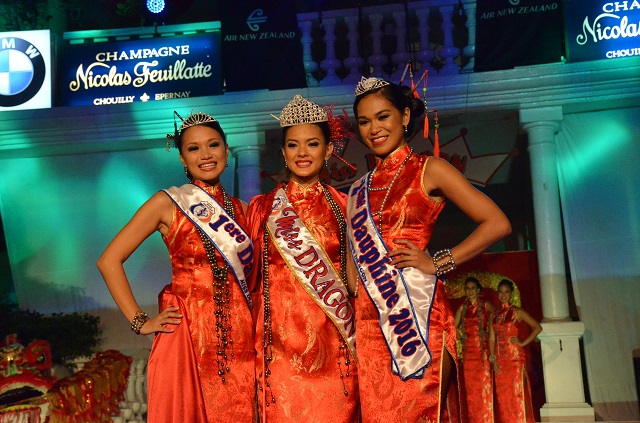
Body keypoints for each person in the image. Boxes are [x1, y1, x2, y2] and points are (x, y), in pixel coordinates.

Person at [347, 76, 512, 422]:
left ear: (405, 116)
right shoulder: (357, 190)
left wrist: (439, 262)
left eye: (383, 116)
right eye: (364, 121)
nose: (374, 128)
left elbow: (497, 223)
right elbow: (352, 278)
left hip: (418, 322)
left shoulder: (429, 169)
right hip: (372, 328)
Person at [97, 111, 256, 422]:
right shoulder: (167, 203)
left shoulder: (244, 210)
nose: (205, 155)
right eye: (194, 148)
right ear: (183, 158)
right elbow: (108, 260)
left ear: (226, 150)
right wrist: (140, 321)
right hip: (190, 341)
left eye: (213, 145)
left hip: (242, 342)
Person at [247, 95, 359, 422]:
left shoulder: (346, 205)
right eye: (293, 145)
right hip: (278, 352)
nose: (302, 153)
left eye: (312, 144)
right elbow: (248, 281)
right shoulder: (262, 208)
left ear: (328, 149)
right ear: (283, 152)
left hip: (335, 349)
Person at [489, 279, 542, 423]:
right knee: (503, 397)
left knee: (517, 395)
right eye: (500, 292)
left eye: (506, 292)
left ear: (511, 294)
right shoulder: (493, 315)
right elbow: (492, 338)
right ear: (497, 293)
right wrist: (492, 359)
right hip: (499, 361)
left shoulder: (517, 312)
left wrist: (523, 342)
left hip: (514, 360)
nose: (503, 295)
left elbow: (537, 327)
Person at [454, 276, 497, 423]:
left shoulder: (485, 305)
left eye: (473, 288)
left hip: (482, 352)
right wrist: (461, 336)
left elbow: (498, 318)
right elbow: (453, 326)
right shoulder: (463, 307)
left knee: (483, 388)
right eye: (467, 288)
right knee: (471, 391)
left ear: (478, 290)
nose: (470, 291)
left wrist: (488, 331)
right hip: (468, 354)